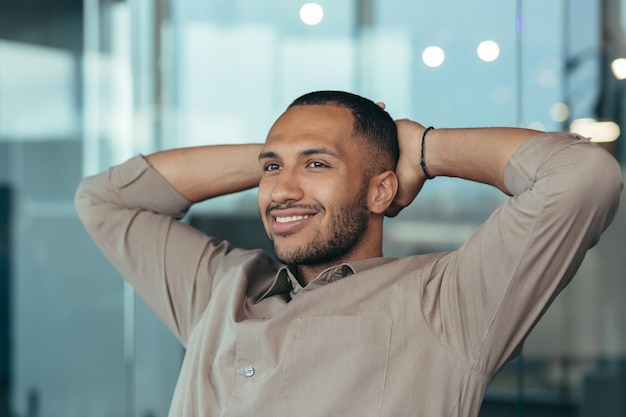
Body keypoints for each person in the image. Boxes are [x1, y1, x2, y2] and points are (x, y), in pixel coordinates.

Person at [75, 90, 622, 417]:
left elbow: (583, 177)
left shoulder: (449, 305)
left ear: (381, 190)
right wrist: (289, 153)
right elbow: (105, 201)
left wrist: (420, 147)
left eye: (317, 166)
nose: (282, 190)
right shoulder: (221, 288)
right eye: (271, 170)